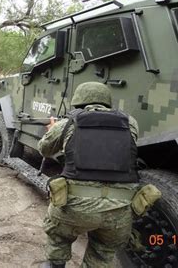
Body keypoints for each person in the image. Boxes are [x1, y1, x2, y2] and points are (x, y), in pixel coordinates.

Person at [38, 82, 140, 268]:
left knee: (58, 239)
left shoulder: (67, 123)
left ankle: (55, 264)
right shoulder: (130, 122)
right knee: (102, 255)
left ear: (78, 101)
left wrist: (53, 129)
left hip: (75, 207)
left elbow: (44, 150)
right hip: (119, 210)